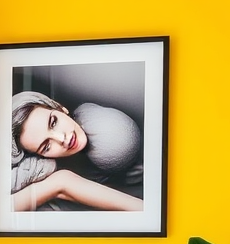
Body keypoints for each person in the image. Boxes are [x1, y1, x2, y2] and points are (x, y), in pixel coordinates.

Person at [11, 90, 143, 212]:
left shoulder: (96, 122)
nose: (62, 138)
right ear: (39, 157)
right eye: (46, 146)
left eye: (53, 123)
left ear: (60, 108)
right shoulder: (46, 174)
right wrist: (57, 184)